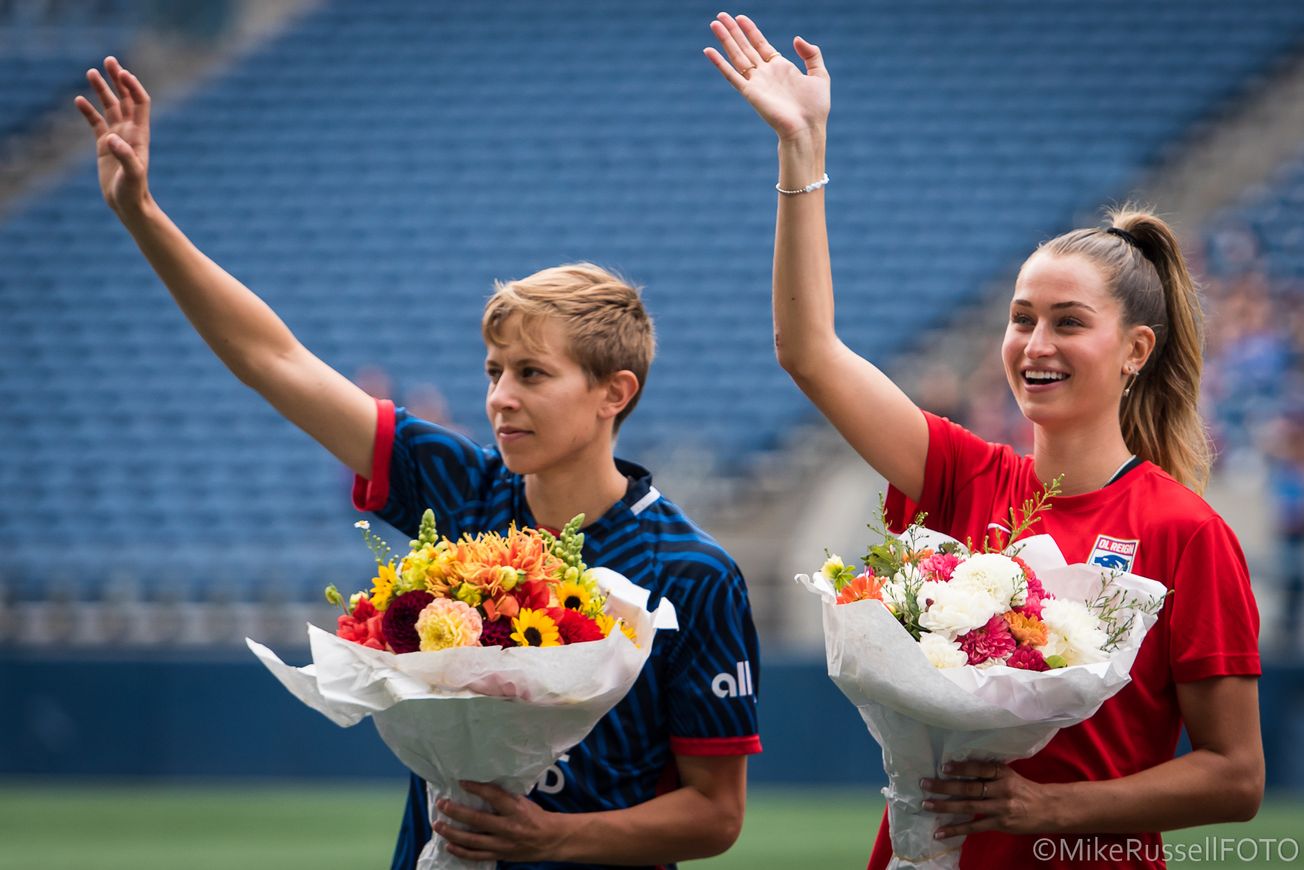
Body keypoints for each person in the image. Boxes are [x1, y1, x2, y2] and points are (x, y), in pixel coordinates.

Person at [77, 57, 761, 869]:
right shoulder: (461, 487)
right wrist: (143, 214)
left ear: (615, 391)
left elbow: (715, 816)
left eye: (532, 375)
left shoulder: (695, 573)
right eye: (493, 373)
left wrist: (556, 838)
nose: (501, 398)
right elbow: (277, 361)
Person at [704, 13, 1263, 869]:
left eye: (1068, 323)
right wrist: (802, 151)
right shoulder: (960, 476)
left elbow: (1234, 777)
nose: (1035, 345)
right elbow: (807, 351)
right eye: (1020, 319)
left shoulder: (1187, 532)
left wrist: (1046, 808)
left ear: (1135, 352)